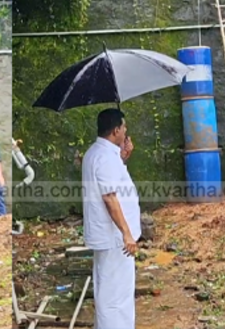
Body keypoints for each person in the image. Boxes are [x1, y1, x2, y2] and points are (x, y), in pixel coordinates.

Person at [82, 109, 141, 329]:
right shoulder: (105, 157)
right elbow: (109, 197)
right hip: (115, 237)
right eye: (124, 127)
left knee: (110, 289)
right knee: (115, 296)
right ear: (116, 130)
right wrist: (126, 233)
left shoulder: (99, 153)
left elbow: (112, 180)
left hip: (110, 236)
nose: (126, 131)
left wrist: (124, 157)